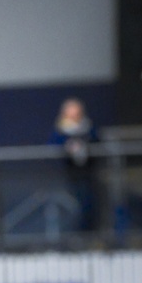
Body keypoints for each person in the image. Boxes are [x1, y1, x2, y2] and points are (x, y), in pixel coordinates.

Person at [51, 98, 99, 232]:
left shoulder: (89, 128)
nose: (74, 118)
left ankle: (89, 234)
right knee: (73, 206)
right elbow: (53, 145)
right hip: (68, 175)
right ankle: (75, 236)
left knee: (88, 206)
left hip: (88, 173)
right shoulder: (60, 131)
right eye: (70, 115)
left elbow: (96, 141)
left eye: (76, 115)